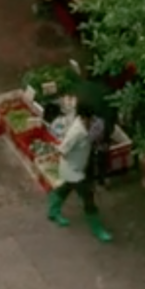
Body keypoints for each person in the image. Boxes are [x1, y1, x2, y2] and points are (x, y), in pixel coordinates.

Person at [45, 96, 113, 242]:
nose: (92, 120)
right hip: (73, 171)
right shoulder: (76, 132)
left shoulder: (83, 124)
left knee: (65, 189)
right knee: (88, 197)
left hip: (78, 167)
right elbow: (63, 150)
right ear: (83, 117)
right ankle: (97, 228)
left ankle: (53, 211)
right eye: (90, 118)